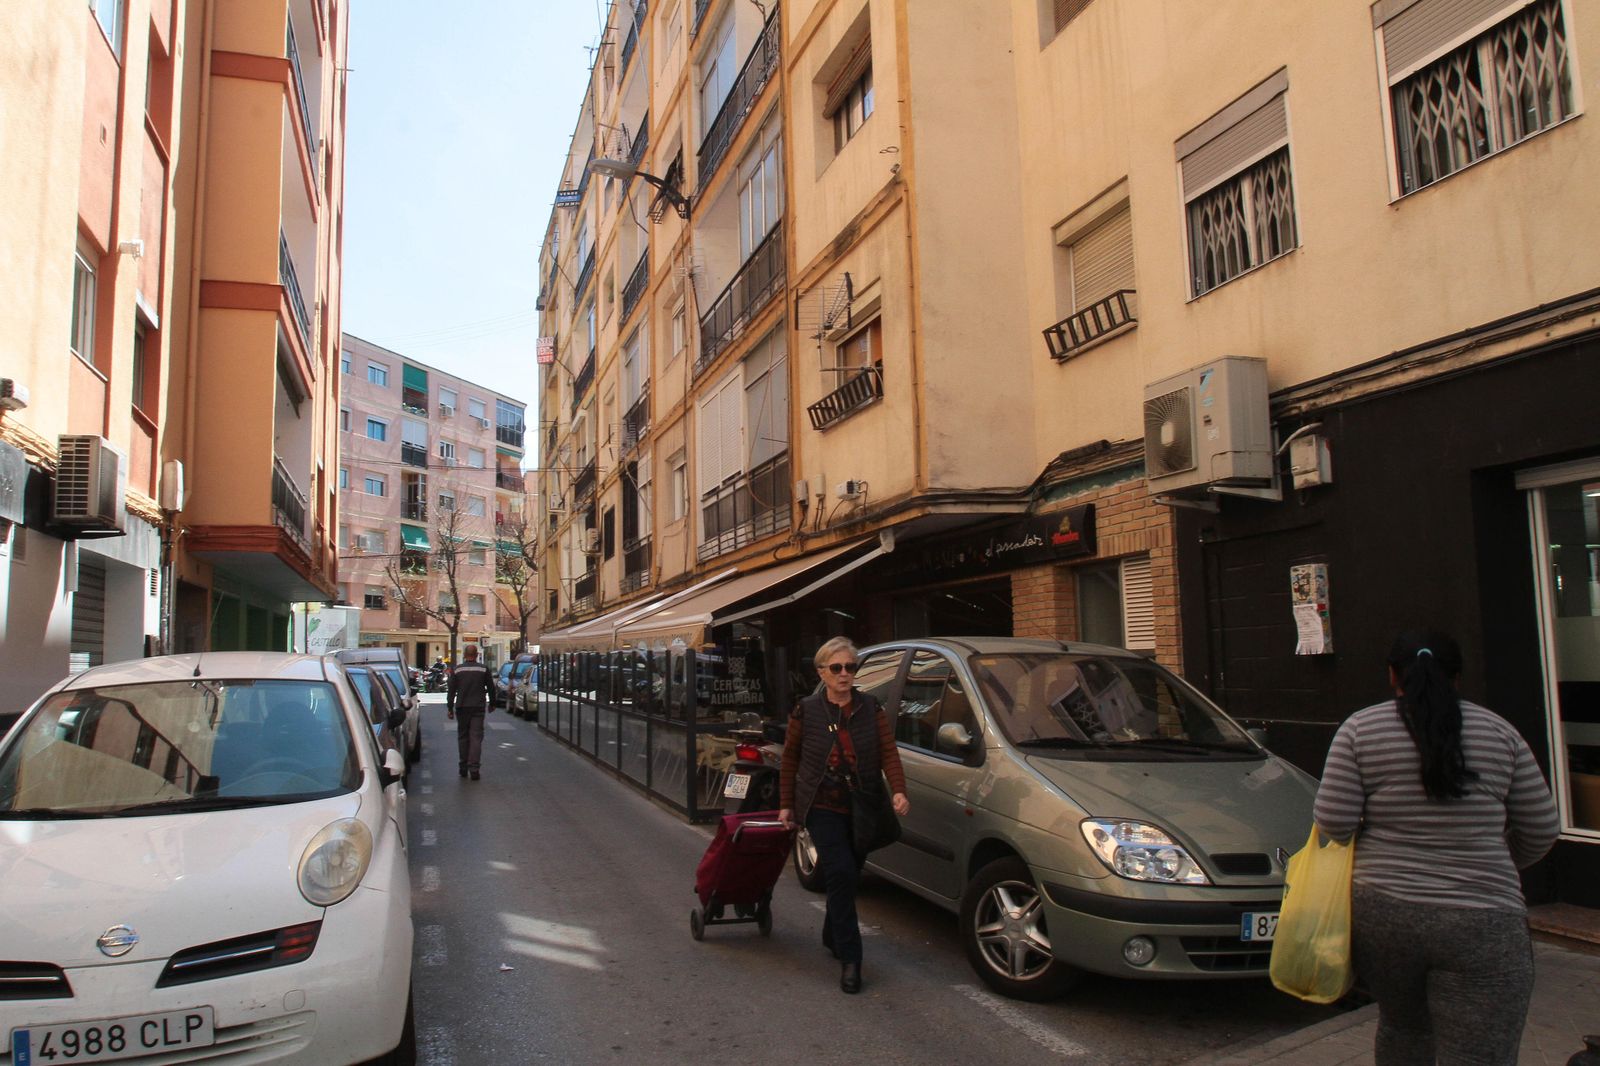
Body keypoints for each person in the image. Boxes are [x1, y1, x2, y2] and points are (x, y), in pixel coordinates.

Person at [1313, 630, 1559, 1066]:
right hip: (1482, 922)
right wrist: (1496, 863)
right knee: (1479, 1052)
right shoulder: (1500, 733)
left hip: (1383, 915)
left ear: (1393, 676)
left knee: (1403, 1029)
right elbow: (1541, 828)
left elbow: (1334, 823)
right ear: (1457, 677)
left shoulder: (1360, 729)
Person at [778, 637, 910, 995]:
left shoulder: (870, 708)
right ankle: (852, 959)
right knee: (839, 872)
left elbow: (888, 751)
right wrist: (787, 804)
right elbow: (790, 759)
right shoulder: (807, 710)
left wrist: (898, 789)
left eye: (850, 667)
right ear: (822, 672)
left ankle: (830, 933)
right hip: (821, 805)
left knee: (846, 878)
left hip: (862, 806)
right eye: (836, 668)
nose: (844, 674)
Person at [447, 646, 495, 780]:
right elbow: (491, 688)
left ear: (464, 654)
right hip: (478, 707)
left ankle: (463, 767)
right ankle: (474, 768)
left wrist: (450, 708)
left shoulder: (457, 670)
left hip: (462, 707)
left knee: (463, 737)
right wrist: (492, 703)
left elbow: (451, 691)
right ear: (477, 654)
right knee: (476, 737)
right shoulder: (483, 669)